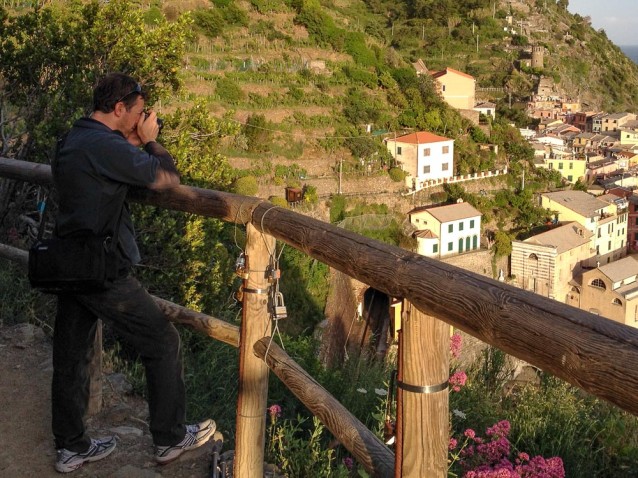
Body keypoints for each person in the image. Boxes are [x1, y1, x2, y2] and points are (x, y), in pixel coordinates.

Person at [50, 72, 215, 473]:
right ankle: (170, 438)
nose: (143, 118)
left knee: (71, 355)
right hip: (102, 270)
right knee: (162, 339)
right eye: (139, 112)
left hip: (67, 262)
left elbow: (107, 168)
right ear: (120, 108)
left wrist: (132, 142)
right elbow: (166, 179)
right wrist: (153, 141)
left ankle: (71, 445)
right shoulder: (103, 145)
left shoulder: (75, 137)